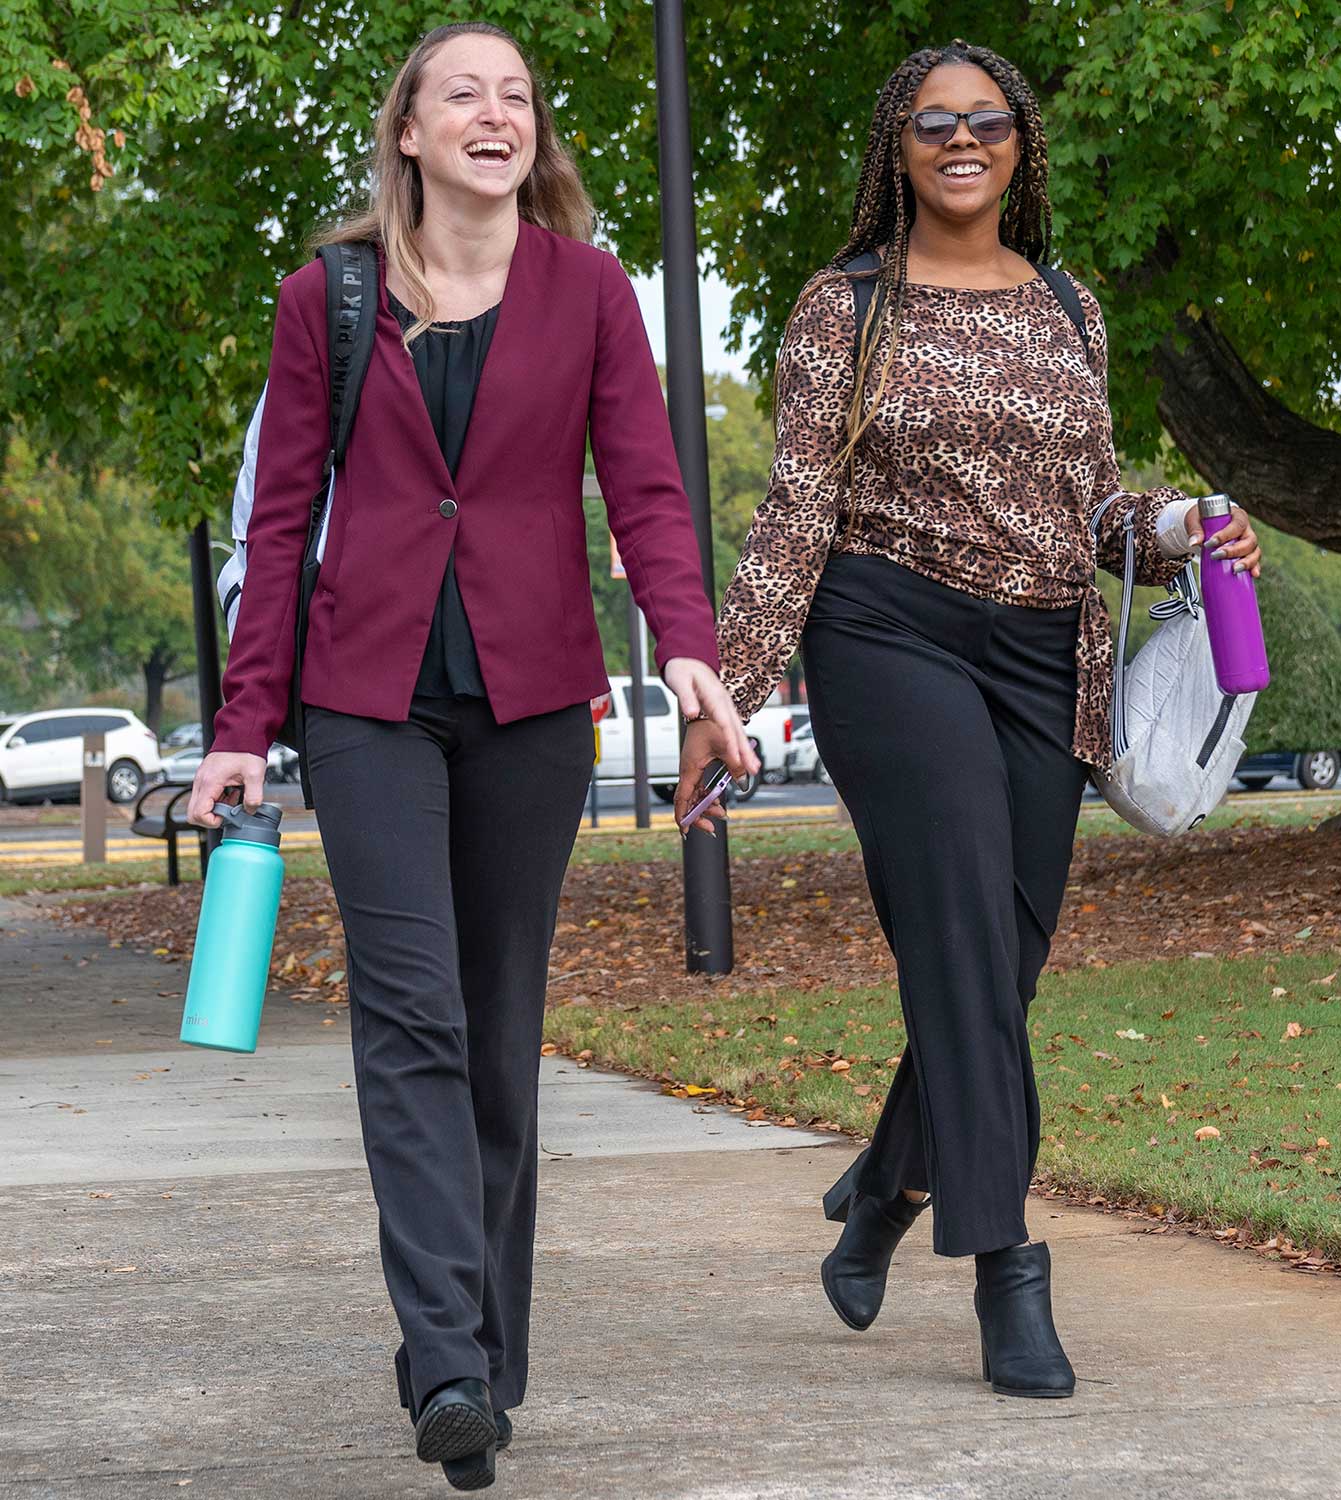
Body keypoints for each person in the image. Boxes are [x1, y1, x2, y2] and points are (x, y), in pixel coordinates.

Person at [191, 22, 756, 1490]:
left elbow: (644, 486)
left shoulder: (588, 294)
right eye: (464, 93)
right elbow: (278, 516)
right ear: (409, 134)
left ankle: (484, 1351)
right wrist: (243, 726)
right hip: (364, 696)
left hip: (529, 703)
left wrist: (689, 650)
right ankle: (442, 1358)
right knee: (413, 1019)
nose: (494, 113)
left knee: (500, 1032)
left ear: (533, 138)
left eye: (516, 96)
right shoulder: (329, 296)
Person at [685, 39, 1260, 1400]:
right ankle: (1008, 1272)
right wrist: (733, 684)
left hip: (1042, 648)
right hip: (887, 633)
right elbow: (799, 503)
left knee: (998, 965)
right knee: (952, 932)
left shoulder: (1068, 302)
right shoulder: (847, 305)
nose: (960, 142)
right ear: (896, 145)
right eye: (932, 123)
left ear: (1020, 145)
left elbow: (1095, 505)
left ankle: (887, 1189)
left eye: (985, 123)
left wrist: (1179, 526)